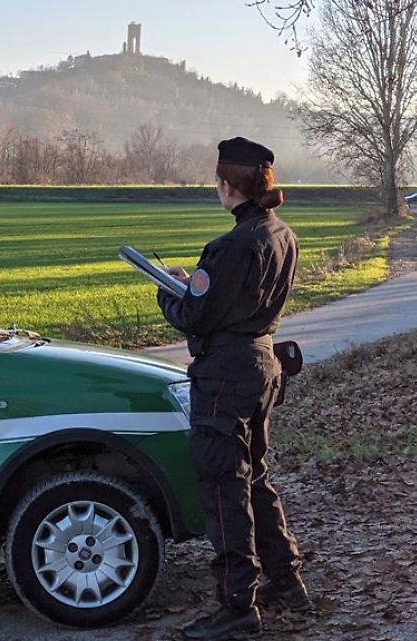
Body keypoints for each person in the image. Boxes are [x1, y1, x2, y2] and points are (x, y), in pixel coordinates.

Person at [157, 137, 309, 641]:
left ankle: (237, 607)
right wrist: (195, 284)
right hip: (264, 364)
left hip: (224, 376)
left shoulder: (228, 248)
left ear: (227, 186)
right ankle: (287, 582)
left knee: (224, 487)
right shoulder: (282, 234)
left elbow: (196, 314)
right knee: (257, 477)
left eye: (217, 182)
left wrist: (168, 290)